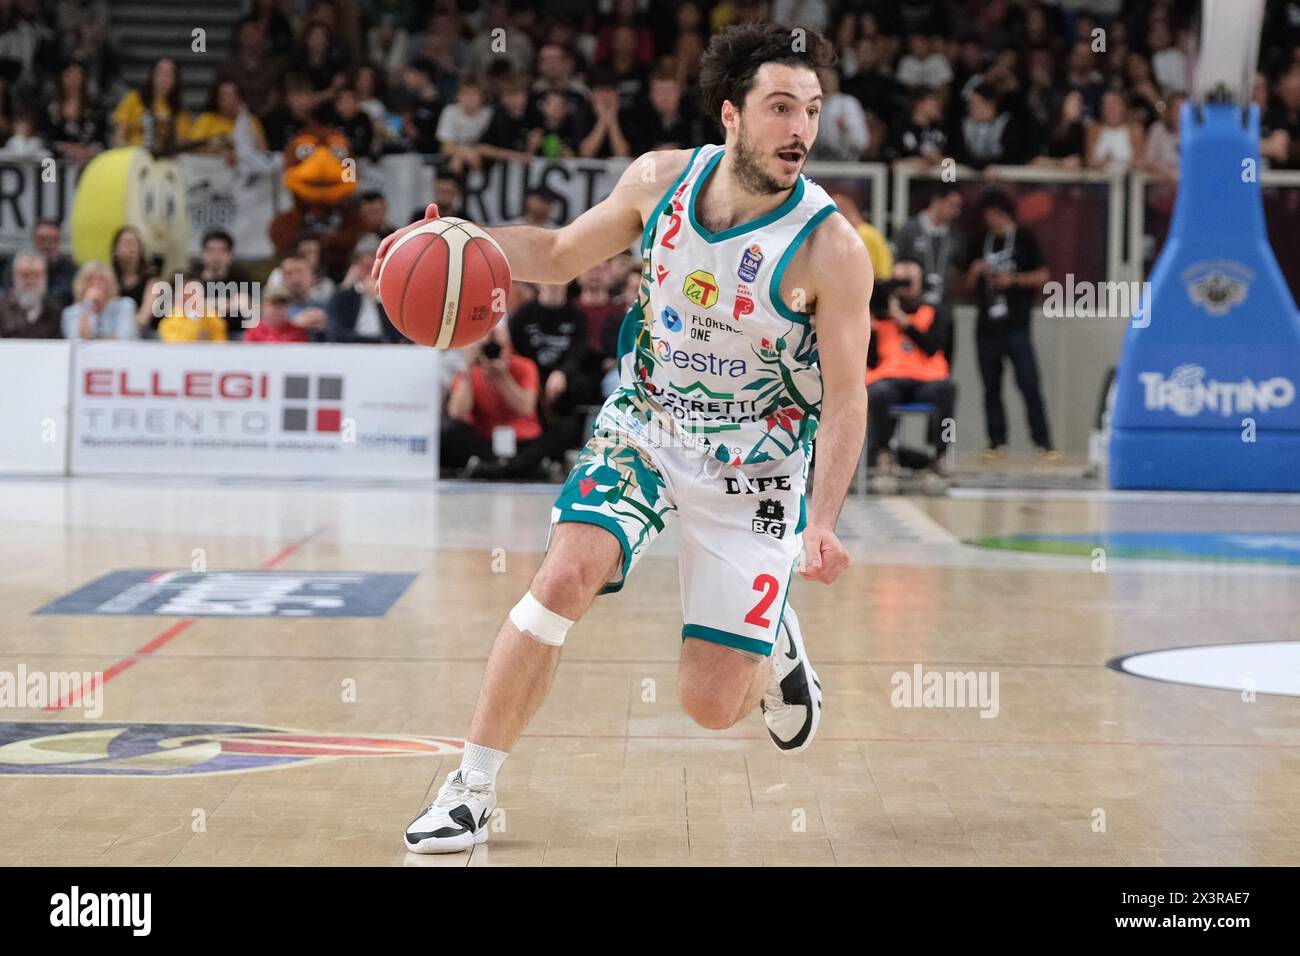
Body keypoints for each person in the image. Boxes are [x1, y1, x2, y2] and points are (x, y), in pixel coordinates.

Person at [376, 21, 871, 854]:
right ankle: (472, 788)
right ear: (730, 115)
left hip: (757, 459)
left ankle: (776, 641)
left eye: (812, 111)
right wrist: (464, 244)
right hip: (645, 421)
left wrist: (821, 524)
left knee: (710, 707)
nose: (801, 131)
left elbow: (849, 398)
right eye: (781, 107)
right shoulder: (659, 182)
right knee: (564, 575)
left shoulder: (831, 249)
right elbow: (564, 252)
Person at [964, 190, 1057, 463]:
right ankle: (996, 442)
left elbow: (1043, 275)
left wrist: (1013, 281)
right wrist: (975, 272)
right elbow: (964, 285)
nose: (989, 220)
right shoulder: (982, 240)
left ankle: (1043, 442)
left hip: (1016, 324)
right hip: (987, 325)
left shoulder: (1025, 238)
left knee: (1029, 383)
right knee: (991, 387)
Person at [865, 258, 956, 475]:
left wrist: (902, 320)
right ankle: (883, 452)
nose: (904, 286)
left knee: (947, 389)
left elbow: (932, 346)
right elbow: (870, 360)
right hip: (888, 379)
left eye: (909, 280)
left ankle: (941, 453)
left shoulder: (933, 311)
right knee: (877, 393)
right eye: (899, 281)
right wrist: (869, 325)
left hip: (926, 380)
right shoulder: (879, 312)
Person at [440, 322, 545, 475]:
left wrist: (503, 376)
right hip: (485, 441)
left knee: (558, 434)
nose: (492, 353)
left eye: (498, 348)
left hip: (523, 439)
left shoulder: (525, 366)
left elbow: (525, 408)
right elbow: (457, 413)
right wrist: (467, 369)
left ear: (509, 346)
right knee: (453, 430)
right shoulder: (470, 372)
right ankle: (506, 467)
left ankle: (502, 467)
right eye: (487, 349)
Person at [891, 184, 965, 362]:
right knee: (911, 362)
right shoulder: (909, 230)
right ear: (937, 201)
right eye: (952, 204)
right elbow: (895, 266)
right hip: (914, 310)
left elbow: (959, 270)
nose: (956, 211)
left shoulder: (955, 236)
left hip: (943, 310)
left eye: (958, 206)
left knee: (943, 364)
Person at [61, 261, 137, 340]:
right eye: (90, 278)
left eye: (102, 278)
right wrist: (87, 304)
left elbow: (125, 337)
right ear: (81, 284)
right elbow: (76, 339)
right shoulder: (70, 312)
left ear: (111, 283)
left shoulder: (125, 305)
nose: (96, 283)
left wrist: (92, 339)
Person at [0, 252, 61, 338]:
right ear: (14, 276)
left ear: (45, 277)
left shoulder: (53, 311)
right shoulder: (2, 307)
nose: (31, 281)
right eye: (25, 275)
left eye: (37, 275)